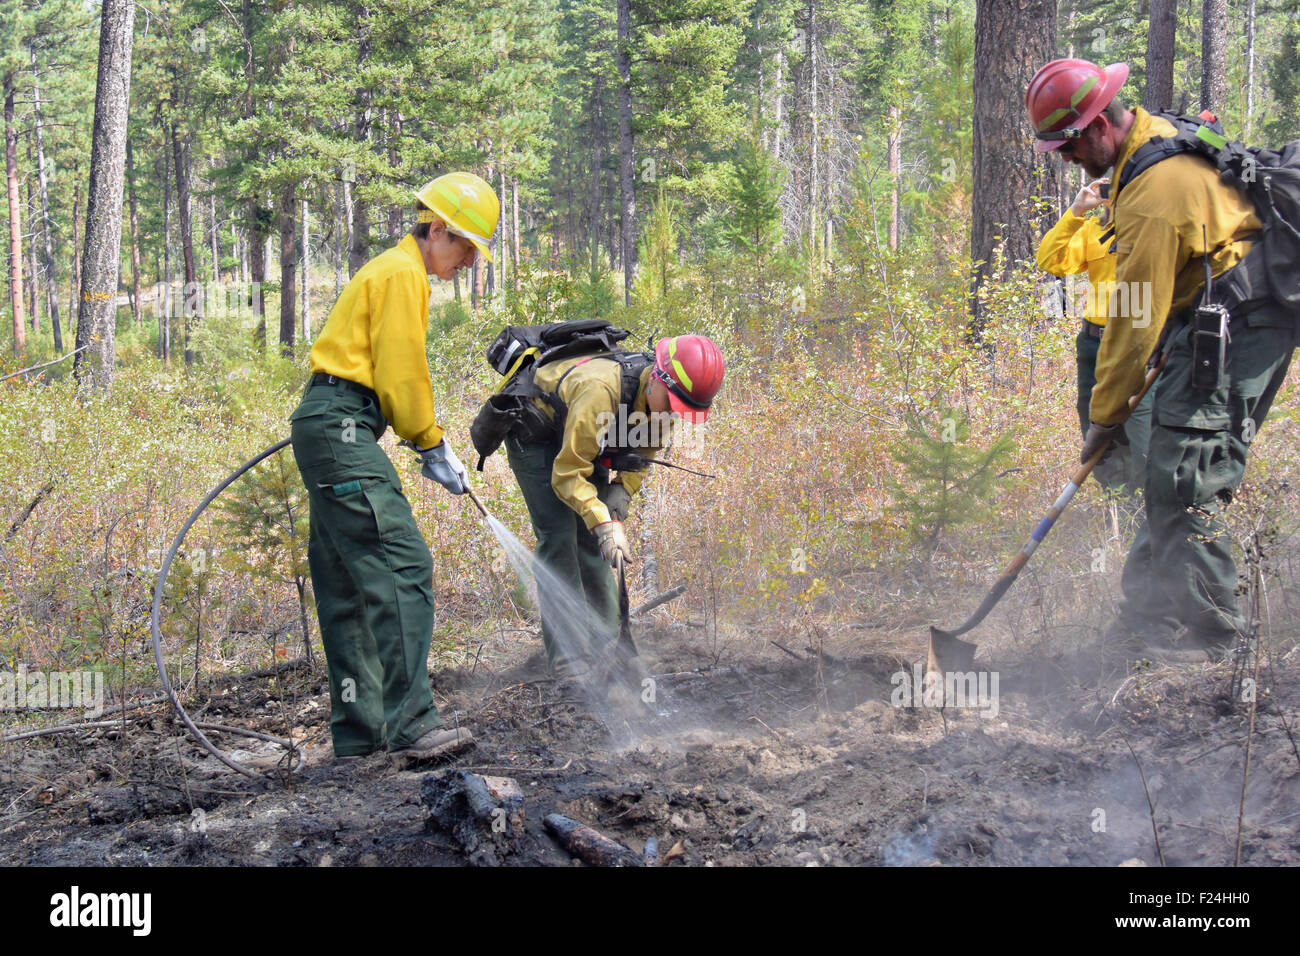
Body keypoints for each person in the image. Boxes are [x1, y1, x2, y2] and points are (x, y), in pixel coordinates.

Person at [1026, 58, 1293, 661]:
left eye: (1068, 144)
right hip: (1218, 316)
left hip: (1244, 323)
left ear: (1098, 126)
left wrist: (1105, 415)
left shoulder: (1150, 194)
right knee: (1168, 472)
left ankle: (1219, 643)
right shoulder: (1155, 136)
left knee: (1183, 474)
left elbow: (1132, 317)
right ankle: (1146, 619)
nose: (1066, 159)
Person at [290, 172, 497, 760]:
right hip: (343, 425)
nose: (468, 263)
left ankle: (361, 735)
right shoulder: (404, 273)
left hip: (328, 422)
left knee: (346, 582)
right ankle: (412, 724)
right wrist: (430, 441)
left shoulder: (390, 269)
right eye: (464, 248)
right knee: (402, 563)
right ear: (436, 229)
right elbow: (403, 373)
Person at [505, 334, 725, 680]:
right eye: (671, 405)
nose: (672, 415)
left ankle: (608, 646)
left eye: (681, 411)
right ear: (657, 377)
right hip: (534, 432)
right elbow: (566, 475)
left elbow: (643, 454)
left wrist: (617, 501)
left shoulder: (660, 402)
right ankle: (569, 659)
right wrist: (603, 523)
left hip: (580, 435)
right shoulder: (599, 392)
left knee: (591, 541)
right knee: (560, 537)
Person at [1036, 177, 1152, 495]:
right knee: (1095, 425)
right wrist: (1075, 211)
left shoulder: (1157, 225)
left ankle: (1146, 508)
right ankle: (1116, 501)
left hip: (1138, 343)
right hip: (1094, 343)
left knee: (1142, 430)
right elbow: (1050, 259)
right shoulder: (1094, 228)